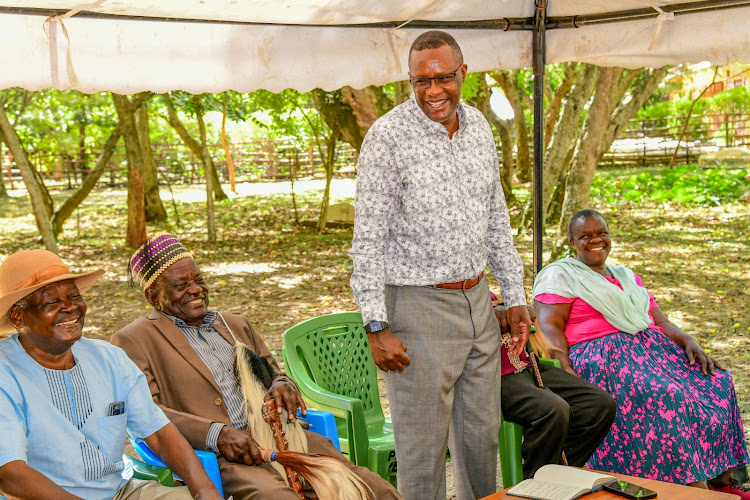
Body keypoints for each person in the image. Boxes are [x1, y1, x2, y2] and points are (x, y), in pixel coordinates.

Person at [349, 30, 531, 500]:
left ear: (463, 74)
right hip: (416, 307)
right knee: (422, 454)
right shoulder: (387, 137)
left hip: (478, 303)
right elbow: (367, 240)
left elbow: (496, 219)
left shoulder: (480, 129)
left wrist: (514, 297)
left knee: (479, 442)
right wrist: (376, 325)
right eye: (420, 81)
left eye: (444, 78)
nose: (433, 91)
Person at [111, 234, 402, 500]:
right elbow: (147, 412)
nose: (196, 290)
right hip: (222, 457)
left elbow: (275, 373)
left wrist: (282, 385)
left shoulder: (235, 324)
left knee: (372, 489)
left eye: (198, 280)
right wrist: (217, 434)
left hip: (287, 437)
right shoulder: (134, 340)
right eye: (181, 285)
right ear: (153, 296)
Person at [532, 209, 749, 497]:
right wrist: (567, 373)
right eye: (585, 236)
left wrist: (688, 340)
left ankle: (721, 480)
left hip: (652, 352)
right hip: (603, 359)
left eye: (601, 233)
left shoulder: (625, 276)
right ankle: (691, 487)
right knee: (668, 395)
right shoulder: (561, 276)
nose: (595, 240)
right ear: (572, 242)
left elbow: (659, 321)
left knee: (716, 381)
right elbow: (549, 328)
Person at [0, 249, 221, 500]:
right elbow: (9, 473)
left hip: (118, 492)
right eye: (52, 302)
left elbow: (158, 432)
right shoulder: (5, 374)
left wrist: (205, 490)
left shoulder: (109, 359)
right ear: (18, 316)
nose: (70, 308)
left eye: (74, 296)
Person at [491, 293, 616, 479]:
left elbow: (523, 313)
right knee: (552, 410)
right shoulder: (452, 294)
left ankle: (555, 474)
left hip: (527, 366)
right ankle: (537, 485)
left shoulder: (489, 292)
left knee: (599, 405)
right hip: (495, 375)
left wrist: (518, 310)